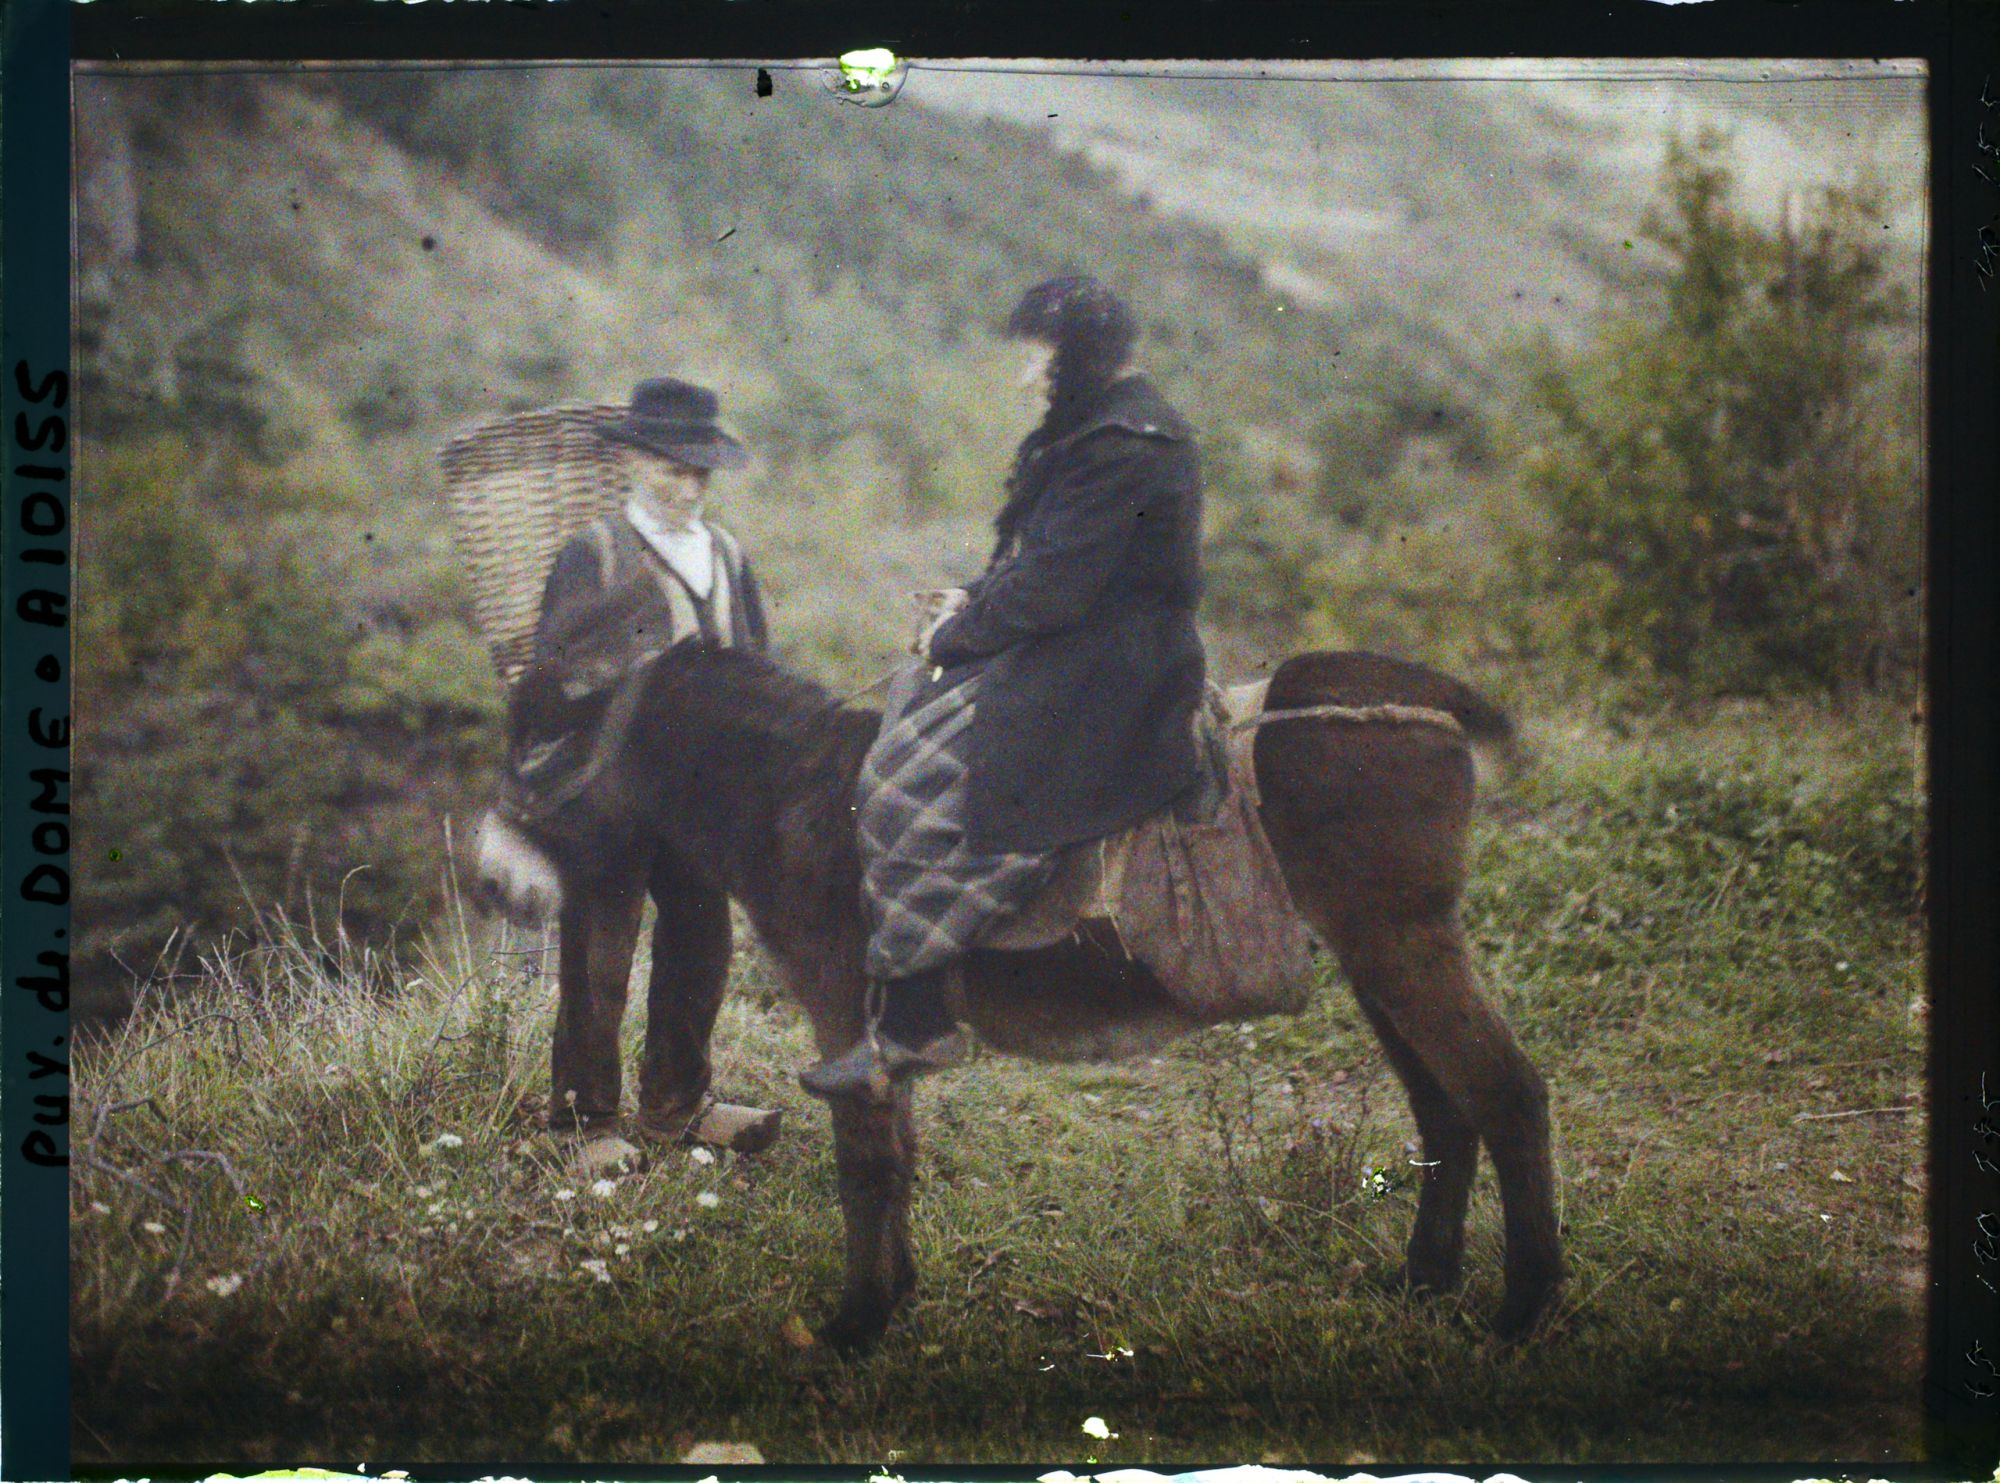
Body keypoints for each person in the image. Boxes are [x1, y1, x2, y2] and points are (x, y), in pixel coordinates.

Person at [801, 276, 1208, 1104]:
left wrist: (954, 632)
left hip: (1109, 671)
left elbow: (1055, 590)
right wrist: (975, 603)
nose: (1026, 377)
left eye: (1038, 357)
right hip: (1098, 644)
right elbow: (1048, 568)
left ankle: (917, 1024)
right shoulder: (1117, 429)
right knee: (919, 713)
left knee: (896, 785)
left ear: (1079, 358)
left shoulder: (1121, 444)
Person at [519, 376, 770, 1138]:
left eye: (698, 471)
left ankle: (676, 1103)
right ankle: (584, 1119)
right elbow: (556, 678)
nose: (686, 485)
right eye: (669, 467)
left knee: (703, 944)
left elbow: (757, 668)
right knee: (599, 957)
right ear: (631, 460)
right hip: (609, 794)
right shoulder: (592, 555)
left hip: (699, 801)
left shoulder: (726, 556)